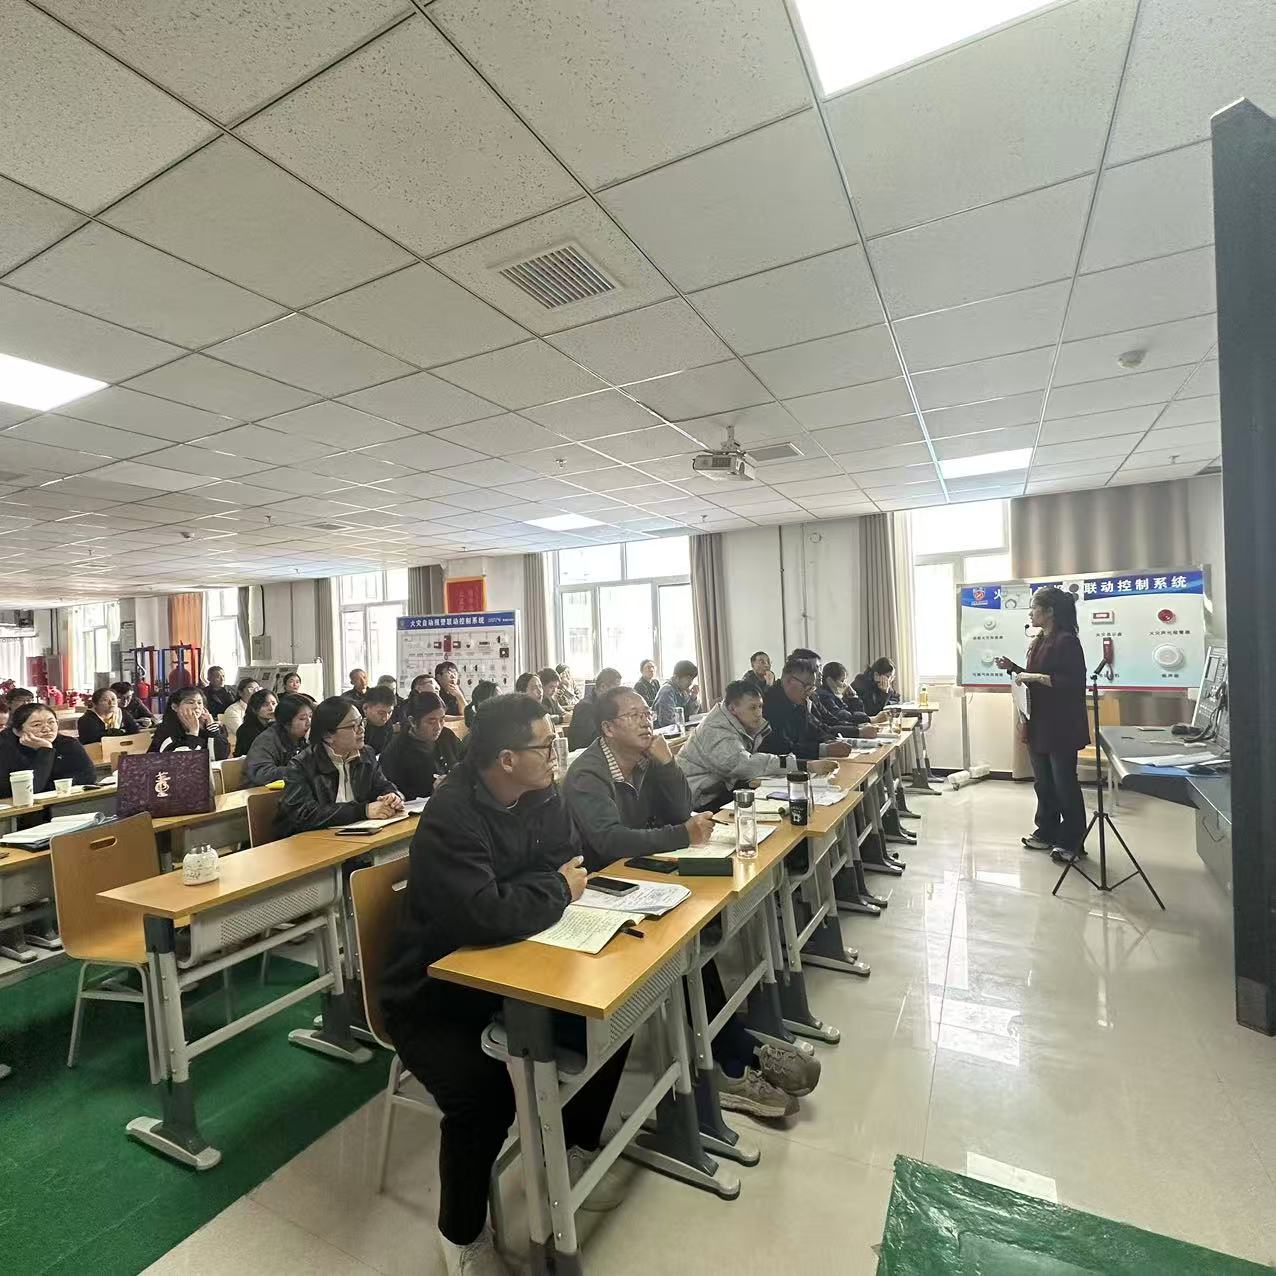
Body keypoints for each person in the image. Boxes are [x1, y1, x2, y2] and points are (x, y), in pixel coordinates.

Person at [381, 694, 629, 1272]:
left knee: (610, 1012)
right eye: (545, 746)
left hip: (521, 961)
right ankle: (461, 1235)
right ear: (507, 759)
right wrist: (553, 891)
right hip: (434, 992)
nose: (555, 755)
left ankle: (573, 1147)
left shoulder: (542, 794)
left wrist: (539, 892)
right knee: (483, 1096)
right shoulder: (452, 813)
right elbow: (484, 912)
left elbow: (571, 862)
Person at [564, 687, 817, 1120]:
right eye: (633, 715)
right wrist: (680, 834)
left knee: (693, 943)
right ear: (607, 728)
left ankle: (733, 1051)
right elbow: (609, 841)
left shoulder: (645, 761)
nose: (646, 721)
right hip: (602, 895)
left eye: (646, 713)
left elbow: (682, 808)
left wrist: (667, 764)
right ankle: (731, 1061)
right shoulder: (588, 773)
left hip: (642, 879)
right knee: (681, 950)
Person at [996, 586, 1090, 865]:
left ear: (1050, 612)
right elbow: (1033, 677)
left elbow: (1072, 682)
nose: (1030, 614)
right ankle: (1047, 831)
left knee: (1064, 784)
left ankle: (1072, 842)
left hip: (1061, 725)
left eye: (1034, 609)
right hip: (1038, 721)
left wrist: (1033, 677)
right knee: (1044, 783)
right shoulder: (1040, 640)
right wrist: (1014, 668)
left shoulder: (1067, 641)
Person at [676, 679, 835, 810]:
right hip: (697, 801)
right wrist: (804, 765)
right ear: (733, 708)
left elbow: (774, 751)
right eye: (752, 708)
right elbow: (744, 765)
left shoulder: (745, 724)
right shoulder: (716, 730)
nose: (759, 713)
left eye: (760, 706)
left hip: (716, 790)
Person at [276, 696, 403, 836]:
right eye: (353, 726)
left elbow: (383, 785)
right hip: (312, 839)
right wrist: (363, 811)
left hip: (358, 833)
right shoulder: (301, 765)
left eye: (361, 722)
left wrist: (392, 796)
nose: (361, 730)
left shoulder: (366, 754)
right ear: (328, 735)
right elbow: (304, 815)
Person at [760, 660, 854, 764]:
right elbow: (782, 748)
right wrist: (824, 749)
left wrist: (830, 740)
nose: (809, 693)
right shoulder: (769, 703)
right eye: (807, 687)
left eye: (812, 688)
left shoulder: (798, 701)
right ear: (789, 680)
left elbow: (815, 730)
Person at [0, 703, 96, 797]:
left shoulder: (68, 743)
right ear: (17, 731)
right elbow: (30, 789)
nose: (46, 729)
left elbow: (89, 777)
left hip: (64, 801)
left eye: (51, 722)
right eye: (36, 725)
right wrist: (46, 750)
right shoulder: (6, 748)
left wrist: (49, 785)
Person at [379, 692, 462, 800]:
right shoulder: (394, 752)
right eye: (431, 722)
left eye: (442, 719)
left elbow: (465, 762)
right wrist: (432, 790)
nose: (438, 727)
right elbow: (396, 794)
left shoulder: (447, 736)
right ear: (412, 721)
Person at [245, 694, 312, 786]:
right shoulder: (268, 740)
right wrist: (299, 770)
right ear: (286, 722)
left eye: (311, 716)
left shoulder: (306, 739)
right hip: (259, 792)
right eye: (302, 718)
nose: (309, 723)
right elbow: (261, 774)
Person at [149, 688, 230, 759]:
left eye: (199, 703)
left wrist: (212, 729)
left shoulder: (208, 727)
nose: (196, 706)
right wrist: (193, 734)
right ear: (175, 707)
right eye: (190, 702)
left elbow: (220, 757)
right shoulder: (165, 730)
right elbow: (181, 762)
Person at [812, 661, 881, 736]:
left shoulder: (837, 695)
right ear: (830, 680)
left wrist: (853, 697)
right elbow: (843, 716)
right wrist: (868, 721)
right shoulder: (824, 695)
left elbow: (857, 712)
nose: (845, 684)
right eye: (842, 681)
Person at [566, 666, 622, 750]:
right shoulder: (585, 707)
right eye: (616, 689)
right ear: (603, 686)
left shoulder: (602, 703)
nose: (617, 693)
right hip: (584, 753)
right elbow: (590, 739)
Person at [77, 686, 143, 744]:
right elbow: (94, 739)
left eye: (113, 699)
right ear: (95, 704)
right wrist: (121, 732)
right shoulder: (86, 720)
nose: (111, 703)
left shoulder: (123, 714)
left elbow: (135, 732)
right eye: (105, 700)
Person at [652, 659, 700, 729]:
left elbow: (688, 715)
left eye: (692, 679)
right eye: (688, 678)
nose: (690, 683)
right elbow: (667, 723)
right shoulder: (667, 691)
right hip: (664, 733)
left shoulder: (682, 690)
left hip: (677, 730)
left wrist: (693, 697)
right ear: (676, 677)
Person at [232, 689, 277, 758]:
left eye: (274, 704)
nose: (271, 708)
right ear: (254, 709)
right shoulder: (246, 730)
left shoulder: (277, 726)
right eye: (265, 705)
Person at [361, 685, 398, 755]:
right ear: (365, 708)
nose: (385, 718)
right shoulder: (351, 721)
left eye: (390, 712)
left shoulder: (388, 725)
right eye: (381, 713)